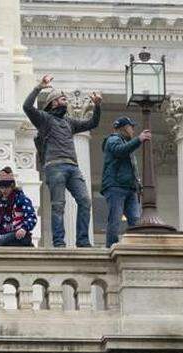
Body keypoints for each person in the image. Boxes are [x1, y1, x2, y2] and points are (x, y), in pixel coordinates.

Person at [23, 74, 101, 247]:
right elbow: (27, 107)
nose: (67, 101)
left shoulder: (69, 122)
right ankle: (59, 242)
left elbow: (92, 123)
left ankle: (82, 241)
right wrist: (38, 88)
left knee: (85, 201)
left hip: (73, 167)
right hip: (54, 166)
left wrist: (97, 106)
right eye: (64, 98)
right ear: (54, 102)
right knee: (58, 205)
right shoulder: (44, 119)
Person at [100, 116, 150, 247]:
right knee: (115, 219)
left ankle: (138, 246)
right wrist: (138, 140)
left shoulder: (125, 143)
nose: (133, 129)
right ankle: (111, 246)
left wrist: (138, 185)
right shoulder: (113, 139)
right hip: (116, 186)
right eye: (131, 127)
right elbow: (119, 151)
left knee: (135, 220)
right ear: (124, 128)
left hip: (129, 187)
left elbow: (132, 168)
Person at [0, 167, 37, 247]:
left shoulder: (22, 200)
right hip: (3, 235)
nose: (4, 191)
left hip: (20, 235)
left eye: (6, 188)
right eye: (2, 188)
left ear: (12, 186)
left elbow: (31, 217)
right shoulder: (0, 203)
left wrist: (24, 228)